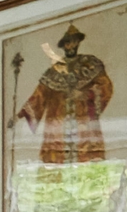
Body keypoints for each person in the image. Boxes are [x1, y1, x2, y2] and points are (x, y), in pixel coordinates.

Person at [13, 23, 115, 177]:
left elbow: (105, 87)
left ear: (78, 43)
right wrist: (18, 116)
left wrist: (86, 94)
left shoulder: (90, 63)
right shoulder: (54, 70)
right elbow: (39, 96)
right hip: (57, 128)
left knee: (88, 168)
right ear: (64, 46)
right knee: (56, 168)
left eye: (74, 41)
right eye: (68, 42)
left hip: (84, 124)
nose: (71, 45)